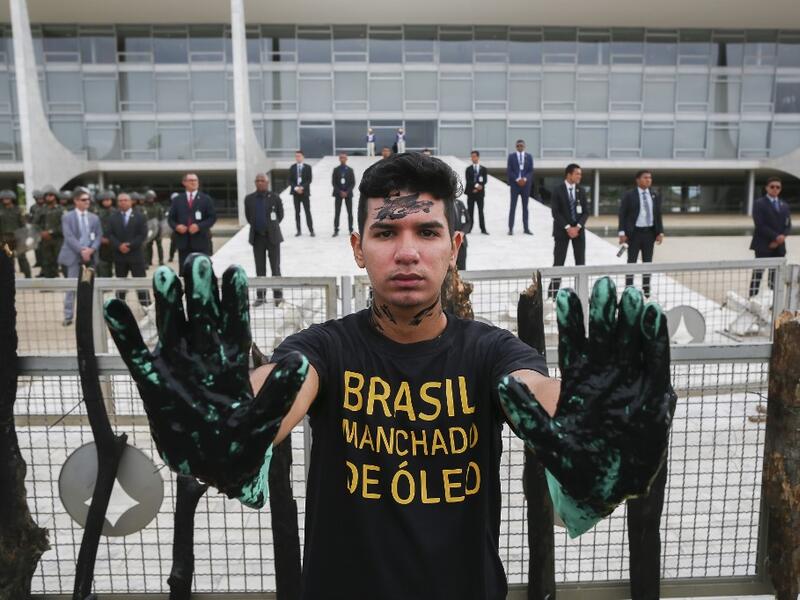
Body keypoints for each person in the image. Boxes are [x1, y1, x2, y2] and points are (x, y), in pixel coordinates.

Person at [106, 153, 674, 600]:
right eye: (385, 234)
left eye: (427, 232)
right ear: (358, 248)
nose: (407, 253)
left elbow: (538, 395)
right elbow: (275, 396)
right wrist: (227, 419)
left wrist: (594, 430)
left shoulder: (491, 352)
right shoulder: (326, 349)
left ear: (453, 247)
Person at [57, 188, 101, 326]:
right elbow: (68, 236)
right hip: (73, 257)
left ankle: (87, 315)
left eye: (88, 199)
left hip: (89, 257)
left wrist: (91, 250)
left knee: (88, 285)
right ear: (76, 201)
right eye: (84, 199)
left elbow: (98, 235)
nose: (87, 202)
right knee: (71, 287)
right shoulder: (67, 217)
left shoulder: (94, 218)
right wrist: (82, 250)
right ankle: (68, 316)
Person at [618, 170, 664, 298]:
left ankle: (646, 288)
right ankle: (629, 288)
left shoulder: (654, 194)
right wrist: (622, 232)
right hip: (634, 234)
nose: (648, 180)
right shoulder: (629, 195)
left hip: (649, 233)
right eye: (645, 177)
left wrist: (660, 232)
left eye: (650, 178)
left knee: (647, 262)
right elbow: (622, 214)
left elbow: (658, 214)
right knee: (631, 261)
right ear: (638, 180)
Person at [547, 163, 589, 298]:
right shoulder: (557, 190)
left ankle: (581, 293)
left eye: (580, 174)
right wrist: (568, 227)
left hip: (579, 232)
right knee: (558, 263)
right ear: (569, 175)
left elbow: (586, 212)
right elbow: (555, 212)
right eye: (577, 174)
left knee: (580, 263)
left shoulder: (581, 191)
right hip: (562, 231)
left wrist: (577, 227)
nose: (579, 176)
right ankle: (552, 295)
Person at [244, 173, 284, 307]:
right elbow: (249, 217)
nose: (260, 182)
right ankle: (260, 297)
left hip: (273, 237)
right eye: (258, 180)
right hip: (257, 237)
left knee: (275, 268)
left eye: (262, 180)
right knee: (260, 268)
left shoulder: (275, 197)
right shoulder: (249, 199)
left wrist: (270, 227)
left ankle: (278, 296)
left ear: (267, 183)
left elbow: (280, 215)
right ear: (255, 183)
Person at [749, 176, 792, 297]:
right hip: (763, 245)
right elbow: (760, 224)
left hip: (779, 247)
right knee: (758, 274)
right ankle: (752, 297)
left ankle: (774, 300)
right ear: (767, 188)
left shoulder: (784, 205)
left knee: (776, 275)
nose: (775, 189)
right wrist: (775, 237)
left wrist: (781, 238)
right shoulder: (759, 203)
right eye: (772, 186)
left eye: (778, 187)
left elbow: (788, 225)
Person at [108, 192, 151, 309]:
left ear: (131, 202)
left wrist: (130, 245)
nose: (123, 202)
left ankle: (146, 307)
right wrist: (119, 246)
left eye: (125, 200)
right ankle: (119, 308)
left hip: (136, 255)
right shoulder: (113, 217)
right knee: (120, 285)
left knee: (140, 283)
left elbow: (142, 234)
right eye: (120, 200)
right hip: (119, 256)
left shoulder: (140, 216)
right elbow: (110, 234)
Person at [168, 172, 217, 268]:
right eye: (191, 180)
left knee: (201, 270)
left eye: (195, 180)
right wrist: (177, 226)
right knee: (185, 270)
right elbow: (171, 219)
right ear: (184, 183)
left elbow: (212, 218)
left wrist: (199, 226)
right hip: (183, 242)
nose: (193, 182)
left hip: (201, 241)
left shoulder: (206, 199)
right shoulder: (177, 200)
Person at [33, 185, 64, 278]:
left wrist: (51, 232)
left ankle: (62, 279)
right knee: (46, 262)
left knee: (60, 260)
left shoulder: (61, 209)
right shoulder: (41, 210)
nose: (48, 197)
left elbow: (64, 225)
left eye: (51, 195)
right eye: (46, 195)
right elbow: (35, 224)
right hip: (44, 240)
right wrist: (41, 232)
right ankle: (49, 280)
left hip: (58, 239)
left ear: (55, 196)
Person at [0, 189, 32, 278]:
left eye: (8, 198)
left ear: (12, 199)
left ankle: (28, 277)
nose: (6, 199)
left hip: (17, 237)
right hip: (5, 238)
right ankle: (9, 278)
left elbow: (23, 224)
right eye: (4, 198)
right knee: (8, 259)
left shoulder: (18, 210)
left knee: (22, 258)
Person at [506, 139, 533, 235]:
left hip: (525, 185)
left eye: (521, 145)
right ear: (516, 147)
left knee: (525, 207)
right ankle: (510, 229)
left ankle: (526, 228)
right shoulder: (511, 156)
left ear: (524, 146)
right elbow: (509, 170)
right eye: (518, 146)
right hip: (515, 185)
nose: (520, 147)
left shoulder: (529, 157)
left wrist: (525, 179)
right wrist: (517, 179)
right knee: (512, 207)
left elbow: (530, 170)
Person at [289, 150, 314, 237]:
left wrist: (302, 187)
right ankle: (298, 231)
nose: (297, 157)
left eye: (299, 156)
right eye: (296, 156)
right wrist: (296, 188)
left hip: (305, 193)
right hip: (295, 193)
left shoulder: (308, 167)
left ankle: (311, 230)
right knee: (297, 212)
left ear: (303, 157)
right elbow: (290, 180)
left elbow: (309, 180)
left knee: (307, 212)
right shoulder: (292, 167)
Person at [331, 152, 356, 237]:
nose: (342, 159)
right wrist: (340, 192)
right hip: (338, 194)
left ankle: (350, 229)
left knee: (350, 212)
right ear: (339, 159)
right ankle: (336, 230)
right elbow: (333, 182)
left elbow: (353, 183)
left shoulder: (350, 170)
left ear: (346, 159)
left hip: (348, 194)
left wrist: (347, 192)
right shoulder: (336, 169)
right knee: (337, 212)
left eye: (344, 157)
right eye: (341, 157)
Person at [464, 150, 489, 235]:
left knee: (481, 211)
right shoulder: (468, 169)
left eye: (474, 156)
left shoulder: (483, 169)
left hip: (480, 194)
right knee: (470, 211)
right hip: (471, 193)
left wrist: (478, 188)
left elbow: (485, 180)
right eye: (472, 156)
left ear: (478, 157)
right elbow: (468, 180)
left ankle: (483, 229)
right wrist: (476, 186)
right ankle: (469, 228)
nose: (473, 158)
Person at [95, 190, 116, 278]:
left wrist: (111, 239)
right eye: (104, 200)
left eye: (108, 200)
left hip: (114, 242)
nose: (106, 202)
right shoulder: (96, 212)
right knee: (102, 265)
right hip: (100, 243)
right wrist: (100, 238)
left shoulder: (116, 212)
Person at [143, 189, 165, 266]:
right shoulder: (144, 207)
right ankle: (148, 261)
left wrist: (161, 229)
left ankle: (161, 260)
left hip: (158, 229)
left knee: (159, 245)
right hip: (149, 229)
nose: (150, 199)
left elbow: (161, 218)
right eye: (149, 198)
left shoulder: (158, 206)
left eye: (152, 198)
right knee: (148, 246)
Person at [28, 189, 44, 268]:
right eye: (38, 198)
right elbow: (30, 218)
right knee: (36, 247)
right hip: (35, 229)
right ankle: (38, 261)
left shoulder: (45, 206)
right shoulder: (33, 207)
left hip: (44, 229)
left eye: (41, 198)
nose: (39, 200)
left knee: (44, 247)